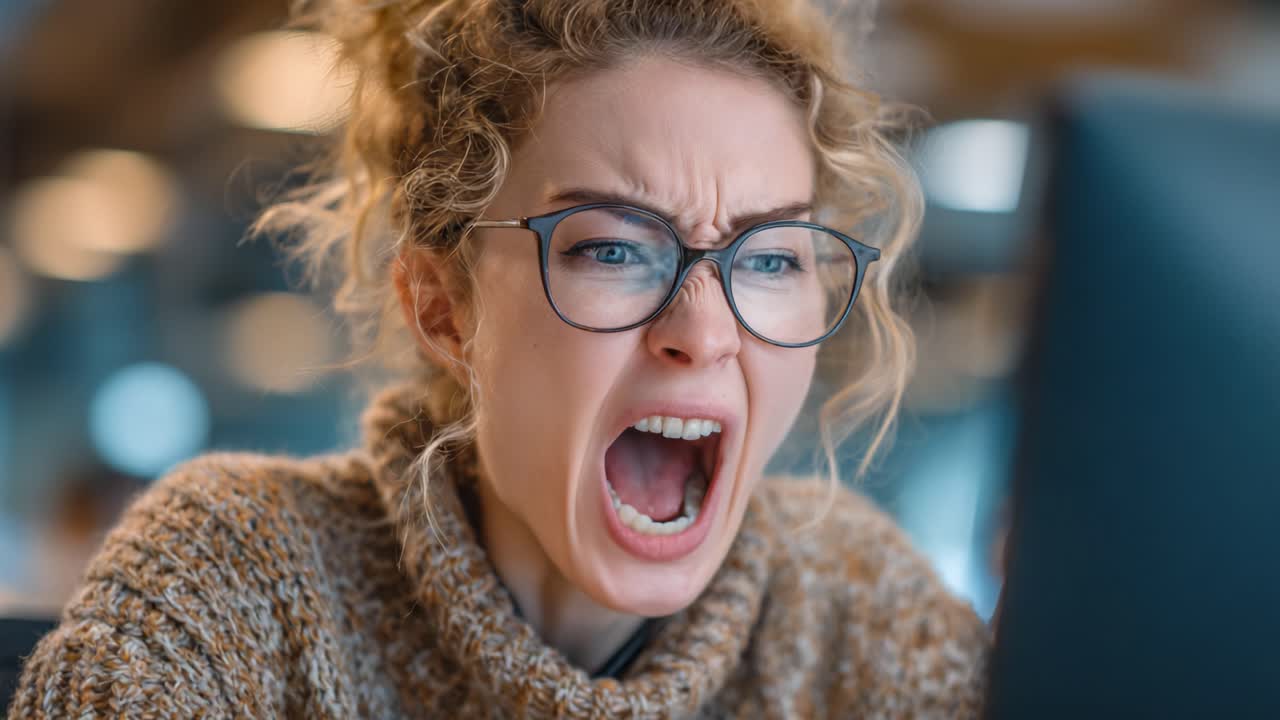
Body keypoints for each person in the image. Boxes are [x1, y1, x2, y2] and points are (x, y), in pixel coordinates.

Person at [7, 0, 989, 717]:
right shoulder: (239, 576)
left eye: (770, 258)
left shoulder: (862, 619)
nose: (706, 330)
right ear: (443, 308)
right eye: (612, 248)